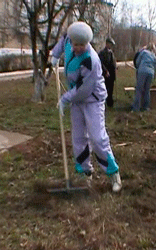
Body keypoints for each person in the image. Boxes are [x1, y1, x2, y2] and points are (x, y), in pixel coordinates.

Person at [51, 21, 122, 192]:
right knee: (79, 138)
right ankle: (85, 174)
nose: (78, 48)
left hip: (92, 100)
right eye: (76, 44)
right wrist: (55, 54)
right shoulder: (69, 39)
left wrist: (65, 99)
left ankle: (114, 174)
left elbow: (83, 90)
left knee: (97, 138)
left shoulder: (91, 60)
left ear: (88, 43)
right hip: (77, 100)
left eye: (82, 45)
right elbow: (63, 41)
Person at [132, 42, 156, 112]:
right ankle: (145, 107)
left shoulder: (143, 52)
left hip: (142, 71)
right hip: (151, 73)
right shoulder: (154, 56)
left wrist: (138, 68)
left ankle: (136, 108)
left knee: (139, 90)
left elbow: (137, 62)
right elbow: (155, 67)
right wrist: (154, 75)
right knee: (147, 90)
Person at [98, 37, 117, 107]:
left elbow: (113, 62)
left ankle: (110, 102)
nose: (111, 46)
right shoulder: (102, 53)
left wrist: (115, 69)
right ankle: (103, 102)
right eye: (110, 44)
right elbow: (101, 63)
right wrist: (105, 71)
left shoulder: (111, 53)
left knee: (111, 89)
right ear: (107, 44)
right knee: (105, 88)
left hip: (111, 74)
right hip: (105, 74)